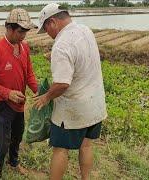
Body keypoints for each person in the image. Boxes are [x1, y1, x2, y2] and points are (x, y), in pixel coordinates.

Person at [33, 3, 107, 180]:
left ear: (52, 22)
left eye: (46, 29)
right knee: (86, 145)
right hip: (95, 104)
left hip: (73, 110)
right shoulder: (85, 30)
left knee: (60, 150)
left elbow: (62, 84)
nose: (49, 35)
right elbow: (80, 56)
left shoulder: (61, 45)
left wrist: (46, 97)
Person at [0, 8, 38, 180]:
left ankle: (13, 162)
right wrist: (7, 93)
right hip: (1, 103)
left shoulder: (24, 48)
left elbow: (29, 75)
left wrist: (39, 92)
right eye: (20, 32)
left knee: (17, 136)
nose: (23, 36)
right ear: (9, 28)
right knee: (1, 141)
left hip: (19, 103)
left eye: (26, 32)